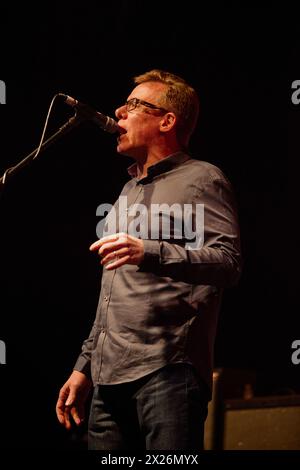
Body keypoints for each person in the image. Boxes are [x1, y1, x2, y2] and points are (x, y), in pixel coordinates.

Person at [56, 69, 242, 450]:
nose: (119, 112)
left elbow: (228, 263)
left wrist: (149, 252)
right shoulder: (126, 191)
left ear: (167, 120)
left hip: (167, 370)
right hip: (108, 379)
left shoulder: (202, 178)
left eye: (134, 105)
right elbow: (112, 293)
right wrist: (84, 366)